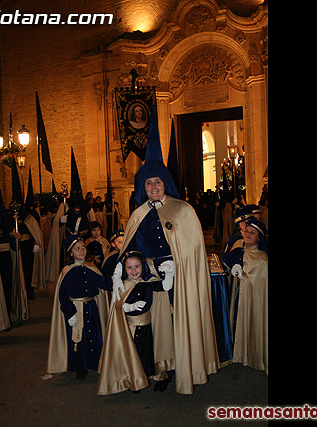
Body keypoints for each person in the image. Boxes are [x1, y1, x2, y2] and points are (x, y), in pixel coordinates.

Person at [113, 106, 220, 394]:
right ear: (142, 187)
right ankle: (162, 369)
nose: (153, 187)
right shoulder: (138, 214)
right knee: (157, 327)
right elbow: (132, 248)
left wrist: (176, 265)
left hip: (179, 281)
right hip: (150, 280)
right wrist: (131, 265)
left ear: (165, 183)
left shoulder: (183, 211)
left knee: (179, 323)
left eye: (157, 182)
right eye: (147, 183)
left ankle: (183, 367)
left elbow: (193, 250)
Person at [97, 251, 175, 394]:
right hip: (130, 328)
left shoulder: (147, 282)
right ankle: (133, 380)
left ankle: (146, 376)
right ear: (124, 269)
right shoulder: (124, 285)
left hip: (146, 326)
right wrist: (130, 307)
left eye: (137, 267)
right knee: (132, 354)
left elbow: (165, 287)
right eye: (129, 268)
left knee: (146, 354)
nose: (134, 271)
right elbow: (117, 304)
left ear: (143, 267)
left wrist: (169, 273)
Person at [47, 234, 112, 380]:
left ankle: (95, 362)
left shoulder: (91, 267)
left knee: (95, 336)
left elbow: (102, 283)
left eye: (83, 247)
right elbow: (63, 295)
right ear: (71, 252)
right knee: (78, 339)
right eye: (77, 249)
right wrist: (70, 313)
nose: (82, 251)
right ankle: (80, 367)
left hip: (92, 307)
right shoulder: (67, 271)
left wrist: (117, 278)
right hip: (76, 310)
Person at [221, 217, 268, 374]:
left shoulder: (262, 259)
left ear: (259, 237)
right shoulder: (239, 250)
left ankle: (253, 353)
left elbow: (260, 287)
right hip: (239, 297)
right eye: (246, 231)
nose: (247, 235)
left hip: (253, 301)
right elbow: (225, 261)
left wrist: (244, 278)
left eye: (252, 233)